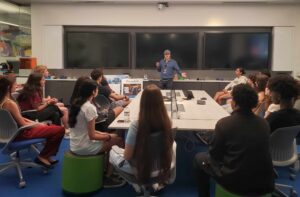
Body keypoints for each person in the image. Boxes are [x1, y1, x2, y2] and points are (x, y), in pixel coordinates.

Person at [194, 84, 274, 197]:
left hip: (235, 183)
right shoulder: (264, 123)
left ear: (234, 103)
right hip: (265, 182)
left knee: (199, 158)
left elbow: (214, 155)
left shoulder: (224, 123)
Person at [110, 84, 176, 193]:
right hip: (160, 168)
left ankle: (136, 183)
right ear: (161, 102)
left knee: (113, 151)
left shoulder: (136, 125)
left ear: (142, 102)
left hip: (140, 169)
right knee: (174, 145)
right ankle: (153, 183)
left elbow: (127, 156)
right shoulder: (167, 123)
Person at [68, 79, 125, 188]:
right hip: (84, 146)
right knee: (119, 142)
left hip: (75, 144)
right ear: (93, 92)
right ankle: (108, 177)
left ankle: (106, 168)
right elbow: (92, 135)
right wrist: (108, 136)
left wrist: (107, 136)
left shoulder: (76, 103)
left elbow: (89, 131)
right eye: (97, 89)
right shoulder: (89, 108)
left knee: (114, 138)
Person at [0, 77, 64, 168]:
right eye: (15, 84)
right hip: (20, 133)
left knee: (52, 127)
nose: (17, 86)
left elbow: (20, 118)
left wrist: (37, 124)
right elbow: (23, 124)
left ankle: (47, 156)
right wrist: (38, 125)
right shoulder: (10, 103)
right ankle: (42, 156)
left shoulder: (2, 101)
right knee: (59, 129)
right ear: (8, 87)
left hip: (10, 133)